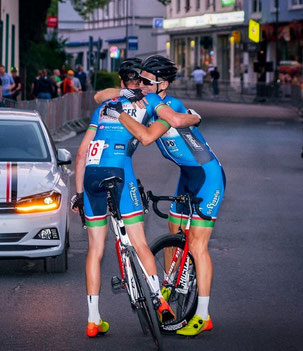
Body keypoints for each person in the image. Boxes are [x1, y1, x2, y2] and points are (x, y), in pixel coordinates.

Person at [71, 58, 200, 338]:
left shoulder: (106, 107)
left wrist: (79, 195)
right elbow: (174, 120)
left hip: (91, 175)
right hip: (120, 171)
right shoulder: (150, 101)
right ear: (139, 82)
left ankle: (93, 320)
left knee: (95, 250)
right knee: (139, 241)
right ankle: (160, 301)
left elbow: (81, 153)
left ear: (121, 82)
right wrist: (195, 116)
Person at [99, 55, 226, 337]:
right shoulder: (145, 98)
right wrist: (122, 93)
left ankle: (203, 315)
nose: (140, 84)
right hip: (186, 174)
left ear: (163, 84)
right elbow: (102, 95)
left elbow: (154, 132)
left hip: (208, 177)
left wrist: (197, 116)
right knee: (173, 227)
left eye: (146, 81)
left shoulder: (167, 105)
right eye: (139, 80)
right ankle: (169, 287)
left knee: (197, 245)